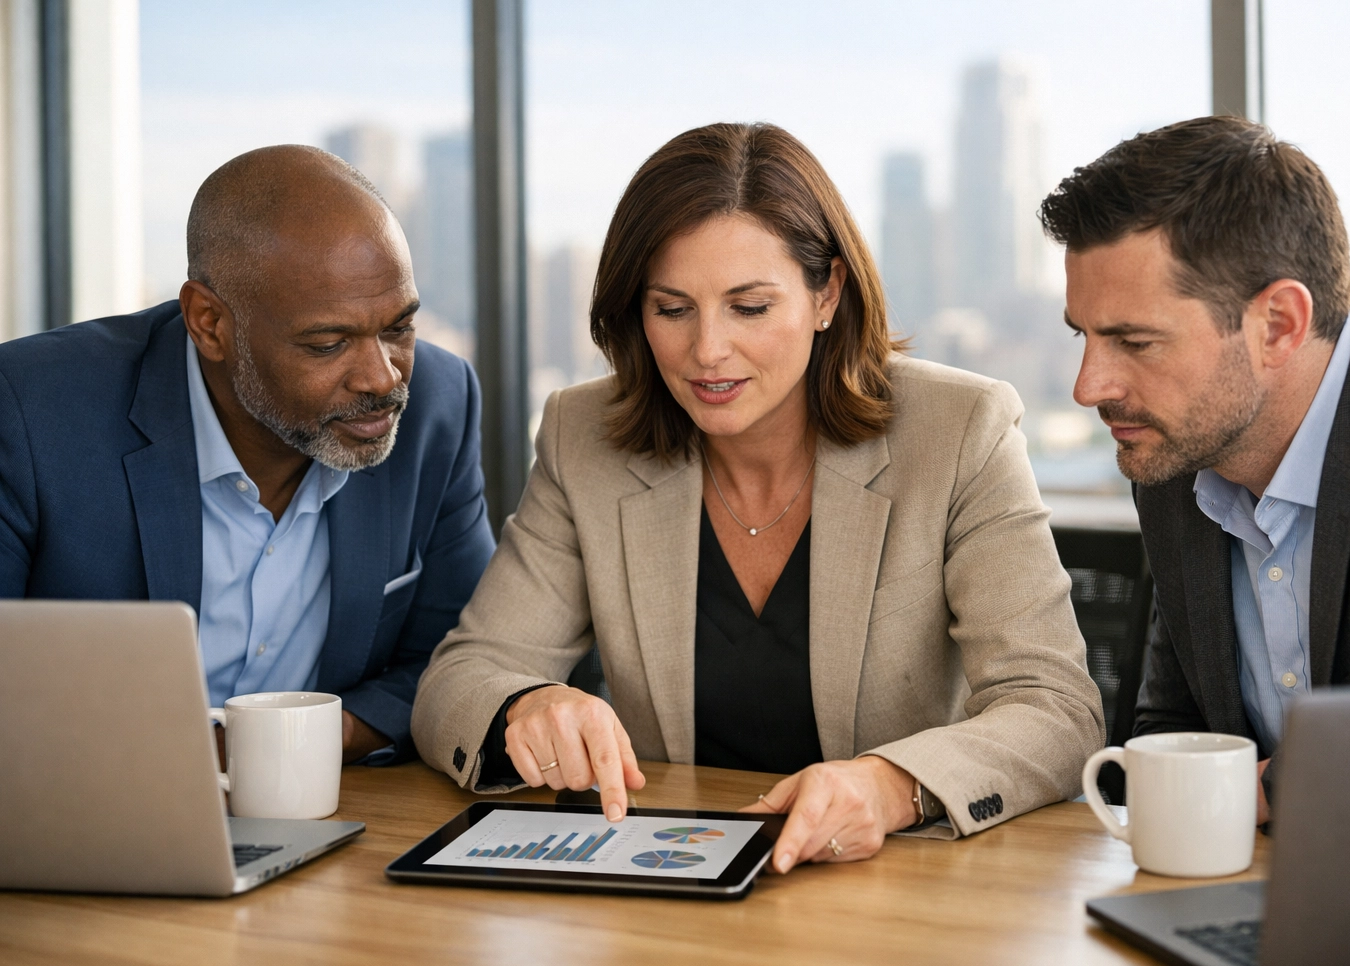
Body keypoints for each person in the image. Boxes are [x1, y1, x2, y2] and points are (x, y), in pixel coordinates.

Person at [412, 122, 1103, 873]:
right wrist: (525, 705)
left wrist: (891, 786)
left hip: (895, 890)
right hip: (670, 881)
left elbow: (1056, 709)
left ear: (826, 293)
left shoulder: (958, 429)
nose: (708, 350)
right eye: (672, 309)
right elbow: (460, 677)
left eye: (749, 307)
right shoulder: (587, 439)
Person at [1039, 116, 1350, 823]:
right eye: (1084, 337)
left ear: (1278, 324)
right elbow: (1170, 737)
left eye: (1135, 341)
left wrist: (1268, 788)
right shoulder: (1176, 459)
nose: (1089, 387)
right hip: (1253, 901)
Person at [0, 145, 496, 764]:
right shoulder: (29, 411)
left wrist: (302, 740)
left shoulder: (437, 407)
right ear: (209, 323)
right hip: (83, 821)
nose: (380, 377)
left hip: (331, 815)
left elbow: (461, 657)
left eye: (398, 328)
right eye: (328, 343)